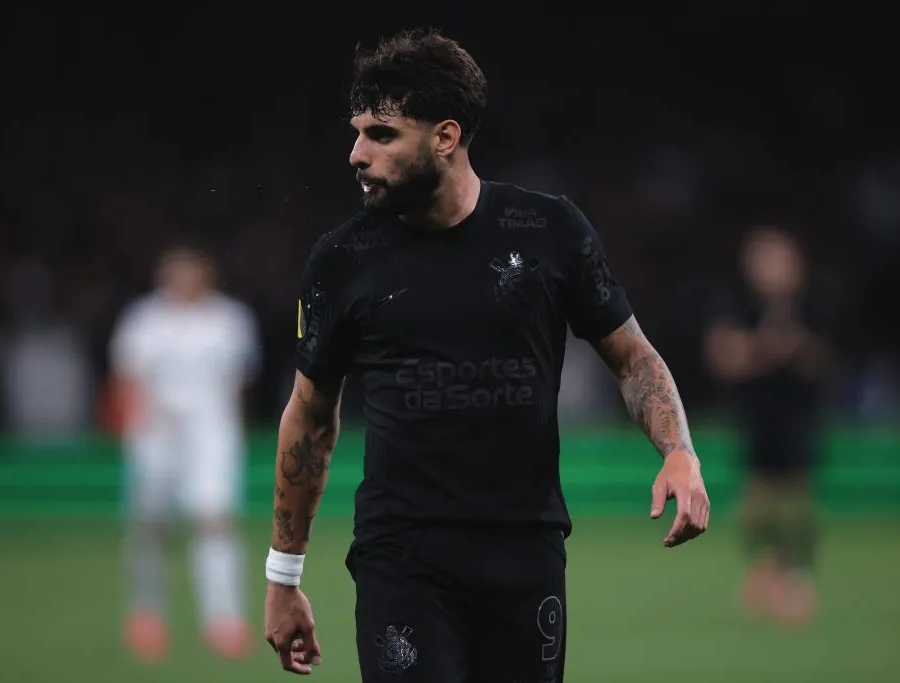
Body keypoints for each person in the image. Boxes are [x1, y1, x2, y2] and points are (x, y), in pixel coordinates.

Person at [263, 28, 710, 681]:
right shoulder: (342, 260)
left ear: (445, 137)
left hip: (525, 559)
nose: (357, 154)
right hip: (402, 558)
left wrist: (678, 449)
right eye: (358, 132)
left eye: (381, 134)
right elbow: (310, 416)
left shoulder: (549, 232)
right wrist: (284, 574)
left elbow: (632, 356)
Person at [110, 238, 262, 662]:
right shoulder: (144, 320)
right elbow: (128, 380)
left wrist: (233, 434)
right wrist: (135, 432)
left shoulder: (230, 320)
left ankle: (224, 621)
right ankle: (146, 616)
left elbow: (240, 385)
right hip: (155, 436)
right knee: (151, 527)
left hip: (213, 436)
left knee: (216, 522)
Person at [704, 225, 831, 625]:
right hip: (756, 416)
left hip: (799, 416)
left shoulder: (815, 304)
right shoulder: (734, 302)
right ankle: (764, 569)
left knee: (796, 499)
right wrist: (768, 348)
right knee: (756, 502)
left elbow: (823, 361)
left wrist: (794, 347)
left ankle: (797, 575)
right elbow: (724, 355)